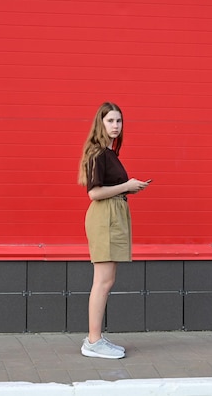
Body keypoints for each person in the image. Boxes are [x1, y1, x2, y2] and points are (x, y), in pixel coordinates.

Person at [77, 102, 150, 359]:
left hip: (114, 214)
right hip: (105, 216)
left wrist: (130, 187)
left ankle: (96, 338)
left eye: (119, 121)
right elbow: (94, 193)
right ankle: (93, 341)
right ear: (101, 123)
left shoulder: (109, 153)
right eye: (110, 121)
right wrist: (126, 186)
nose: (115, 126)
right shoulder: (98, 153)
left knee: (107, 280)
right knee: (103, 281)